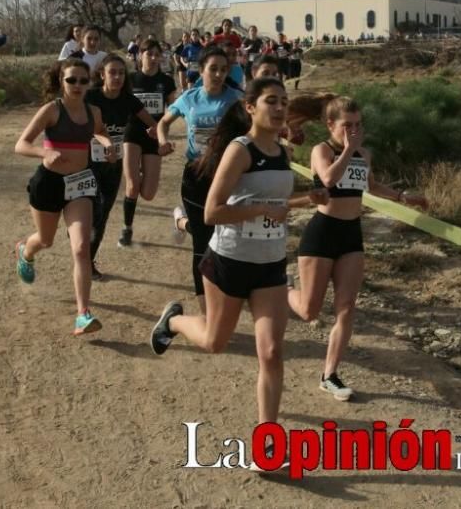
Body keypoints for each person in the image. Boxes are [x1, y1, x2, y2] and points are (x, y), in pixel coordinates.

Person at [150, 78, 327, 468]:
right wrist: (262, 212)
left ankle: (268, 445)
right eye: (271, 101)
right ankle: (176, 321)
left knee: (272, 352)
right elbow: (213, 212)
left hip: (269, 265)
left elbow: (272, 203)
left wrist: (302, 200)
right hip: (229, 261)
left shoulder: (281, 152)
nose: (280, 108)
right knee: (215, 341)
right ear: (250, 107)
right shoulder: (240, 150)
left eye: (284, 101)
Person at [288, 95, 427, 400]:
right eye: (346, 125)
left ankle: (330, 374)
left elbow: (371, 185)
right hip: (322, 234)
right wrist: (349, 150)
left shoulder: (363, 153)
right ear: (330, 125)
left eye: (358, 125)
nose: (353, 131)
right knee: (310, 311)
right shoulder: (321, 150)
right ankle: (284, 289)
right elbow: (327, 178)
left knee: (346, 306)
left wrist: (402, 196)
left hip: (351, 235)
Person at [14, 59, 115, 335]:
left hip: (80, 184)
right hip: (48, 183)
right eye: (72, 80)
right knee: (45, 240)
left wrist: (107, 145)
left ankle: (83, 314)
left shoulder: (93, 111)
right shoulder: (51, 110)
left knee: (81, 248)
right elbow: (21, 144)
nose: (78, 85)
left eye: (83, 80)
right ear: (61, 81)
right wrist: (44, 152)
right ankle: (25, 251)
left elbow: (100, 131)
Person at [156, 47, 244, 308]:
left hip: (226, 174)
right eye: (213, 68)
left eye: (223, 69)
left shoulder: (235, 100)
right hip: (196, 174)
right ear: (202, 70)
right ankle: (205, 306)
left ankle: (181, 222)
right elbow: (163, 122)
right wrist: (163, 141)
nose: (218, 74)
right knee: (202, 241)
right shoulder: (189, 98)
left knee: (225, 233)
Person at [84, 54, 161, 278]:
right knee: (91, 211)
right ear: (102, 74)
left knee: (103, 214)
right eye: (112, 72)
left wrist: (157, 133)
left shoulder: (128, 99)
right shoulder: (90, 97)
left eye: (121, 73)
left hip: (113, 165)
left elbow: (153, 123)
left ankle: (88, 262)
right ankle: (82, 247)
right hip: (87, 163)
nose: (117, 77)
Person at [118, 39, 178, 248]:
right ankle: (127, 228)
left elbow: (172, 111)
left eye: (156, 54)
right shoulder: (130, 79)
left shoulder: (167, 81)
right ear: (139, 55)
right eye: (148, 54)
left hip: (154, 137)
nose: (153, 58)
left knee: (149, 194)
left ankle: (140, 170)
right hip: (132, 133)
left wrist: (162, 131)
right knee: (132, 186)